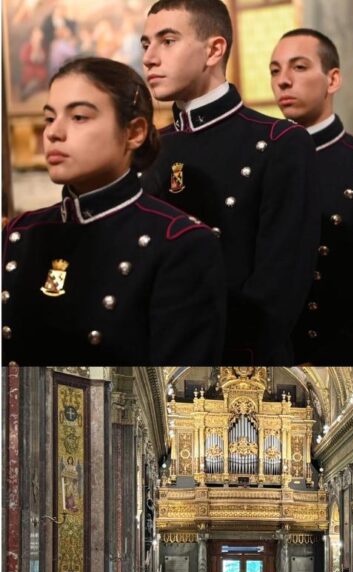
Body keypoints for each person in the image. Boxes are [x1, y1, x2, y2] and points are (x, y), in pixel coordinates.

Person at [2, 57, 226, 365]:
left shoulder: (181, 243)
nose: (54, 133)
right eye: (49, 118)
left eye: (79, 117)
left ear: (134, 132)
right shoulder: (20, 233)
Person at [140, 0, 319, 364]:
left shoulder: (280, 143)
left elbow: (277, 294)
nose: (149, 58)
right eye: (146, 44)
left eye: (168, 40)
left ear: (214, 50)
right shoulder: (147, 152)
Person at [270, 28, 353, 365]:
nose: (283, 80)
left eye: (299, 67)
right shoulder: (259, 164)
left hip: (340, 355)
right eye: (275, 70)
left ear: (333, 80)